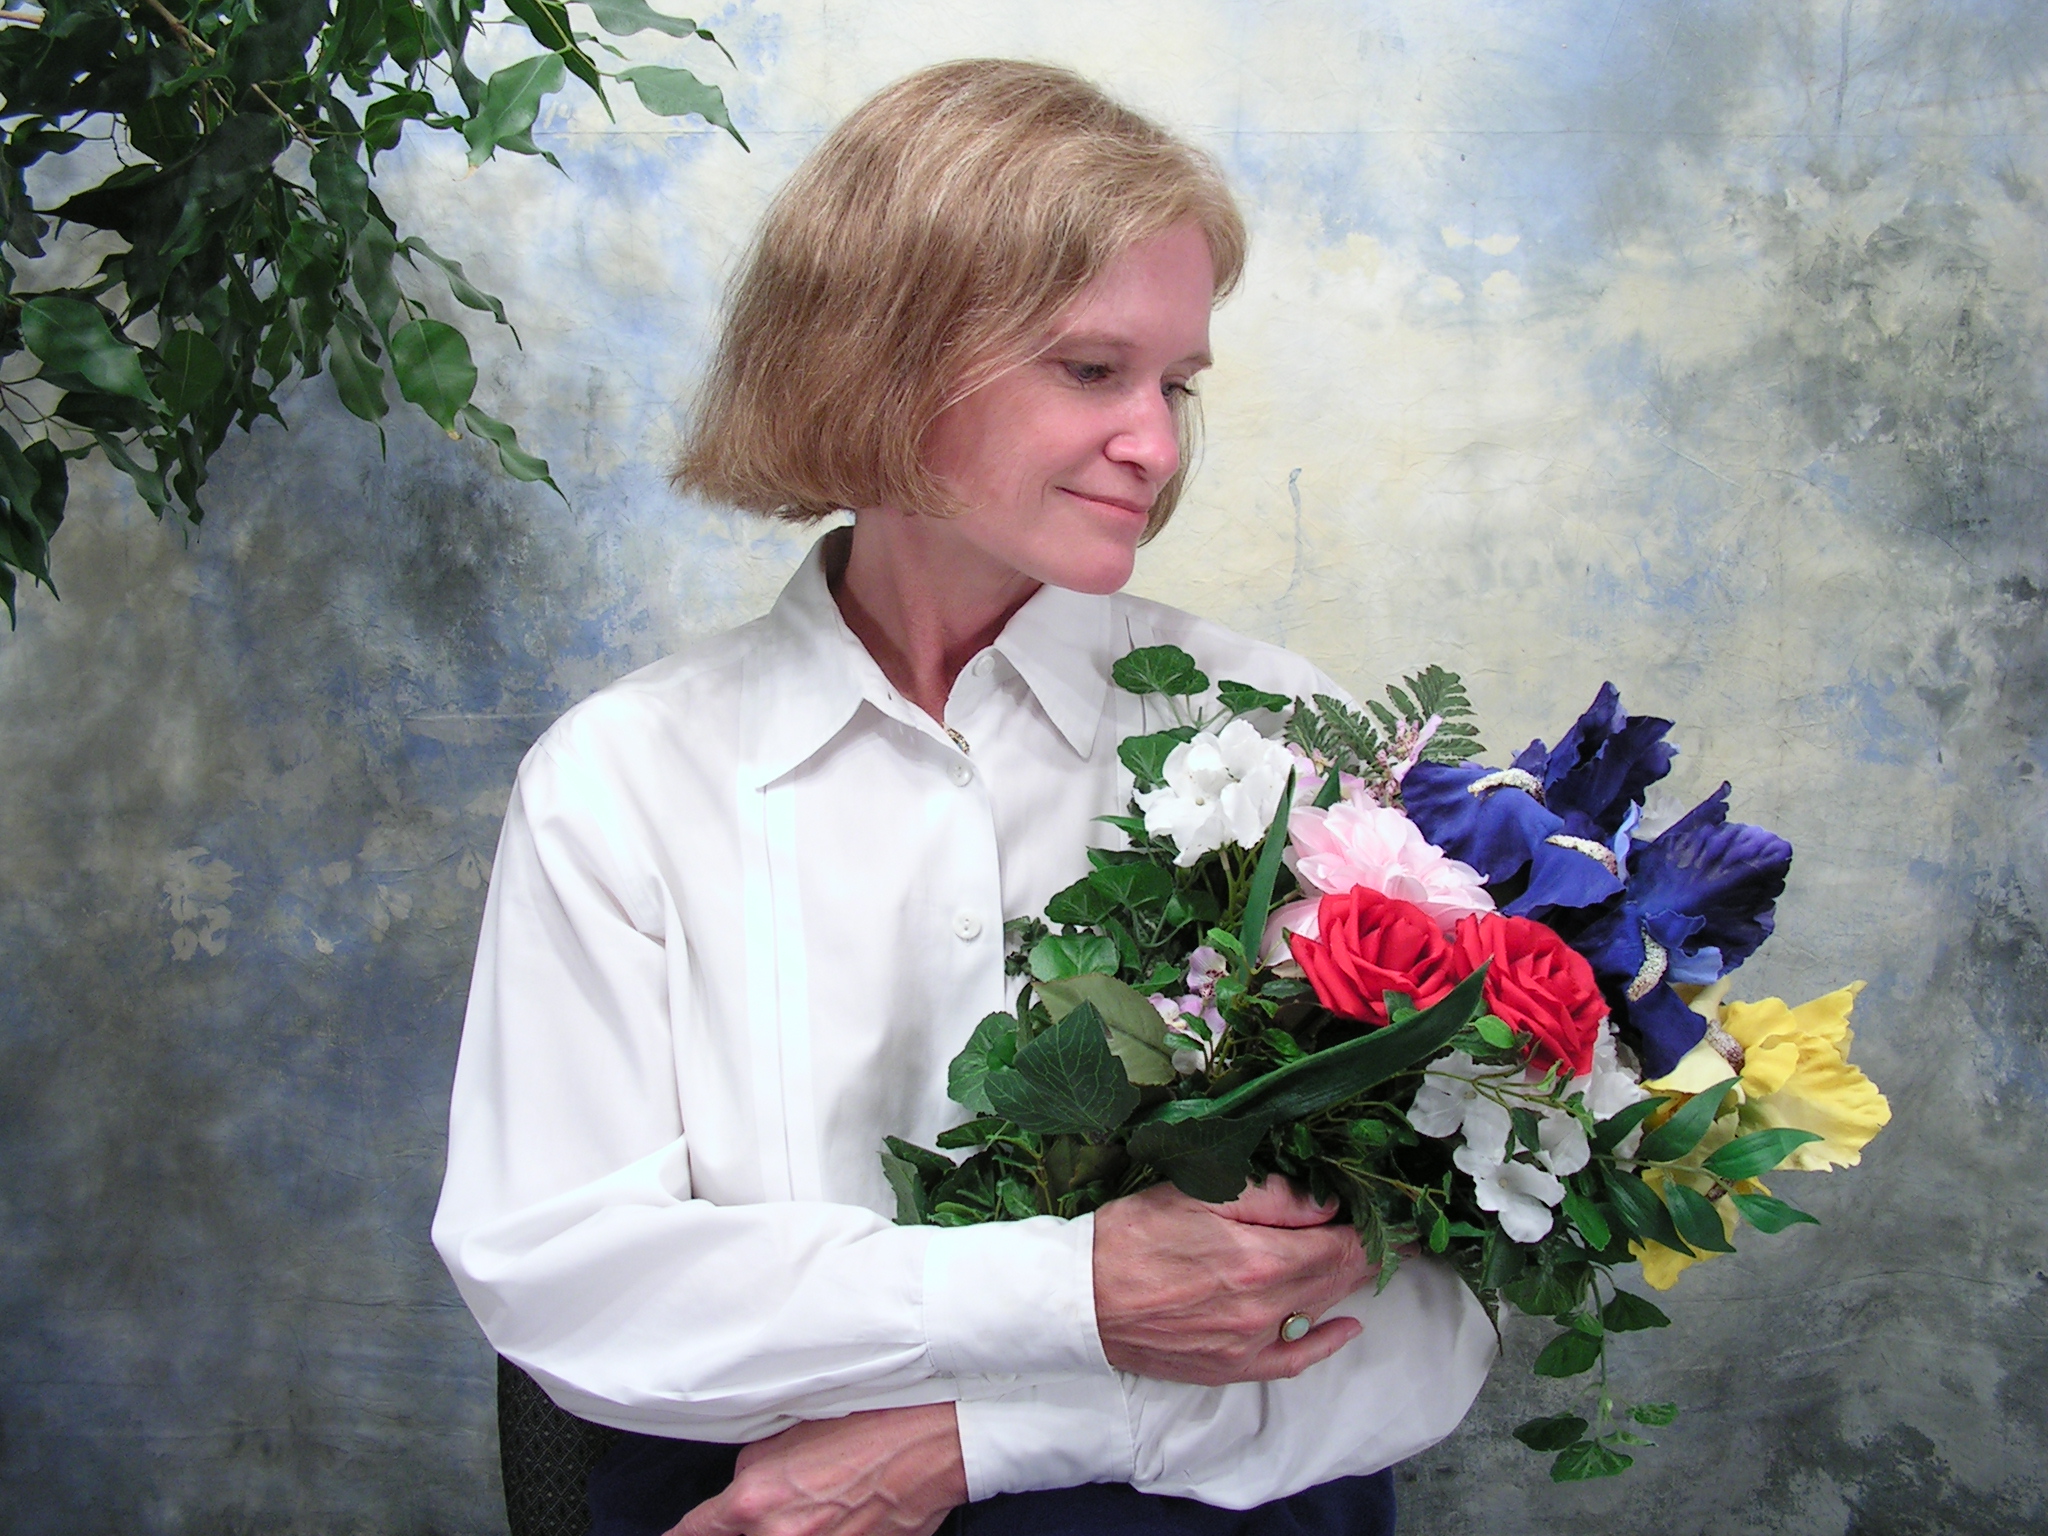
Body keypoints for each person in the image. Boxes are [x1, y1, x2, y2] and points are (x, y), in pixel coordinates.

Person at [433, 59, 1495, 1536]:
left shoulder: (1279, 745)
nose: (1158, 444)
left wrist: (972, 1438)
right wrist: (1076, 1292)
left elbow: (1423, 1326)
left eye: (1176, 383)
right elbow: (569, 1284)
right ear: (880, 358)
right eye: (1092, 370)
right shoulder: (620, 783)